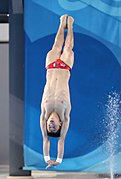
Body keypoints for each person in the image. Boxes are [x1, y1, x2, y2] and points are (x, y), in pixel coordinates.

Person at [40, 14, 74, 169]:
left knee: (56, 46)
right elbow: (61, 141)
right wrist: (57, 160)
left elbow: (46, 140)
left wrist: (47, 158)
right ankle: (71, 24)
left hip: (51, 67)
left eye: (49, 127)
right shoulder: (65, 115)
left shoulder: (44, 114)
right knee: (67, 47)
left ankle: (62, 24)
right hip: (65, 67)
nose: (51, 125)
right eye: (54, 127)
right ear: (61, 124)